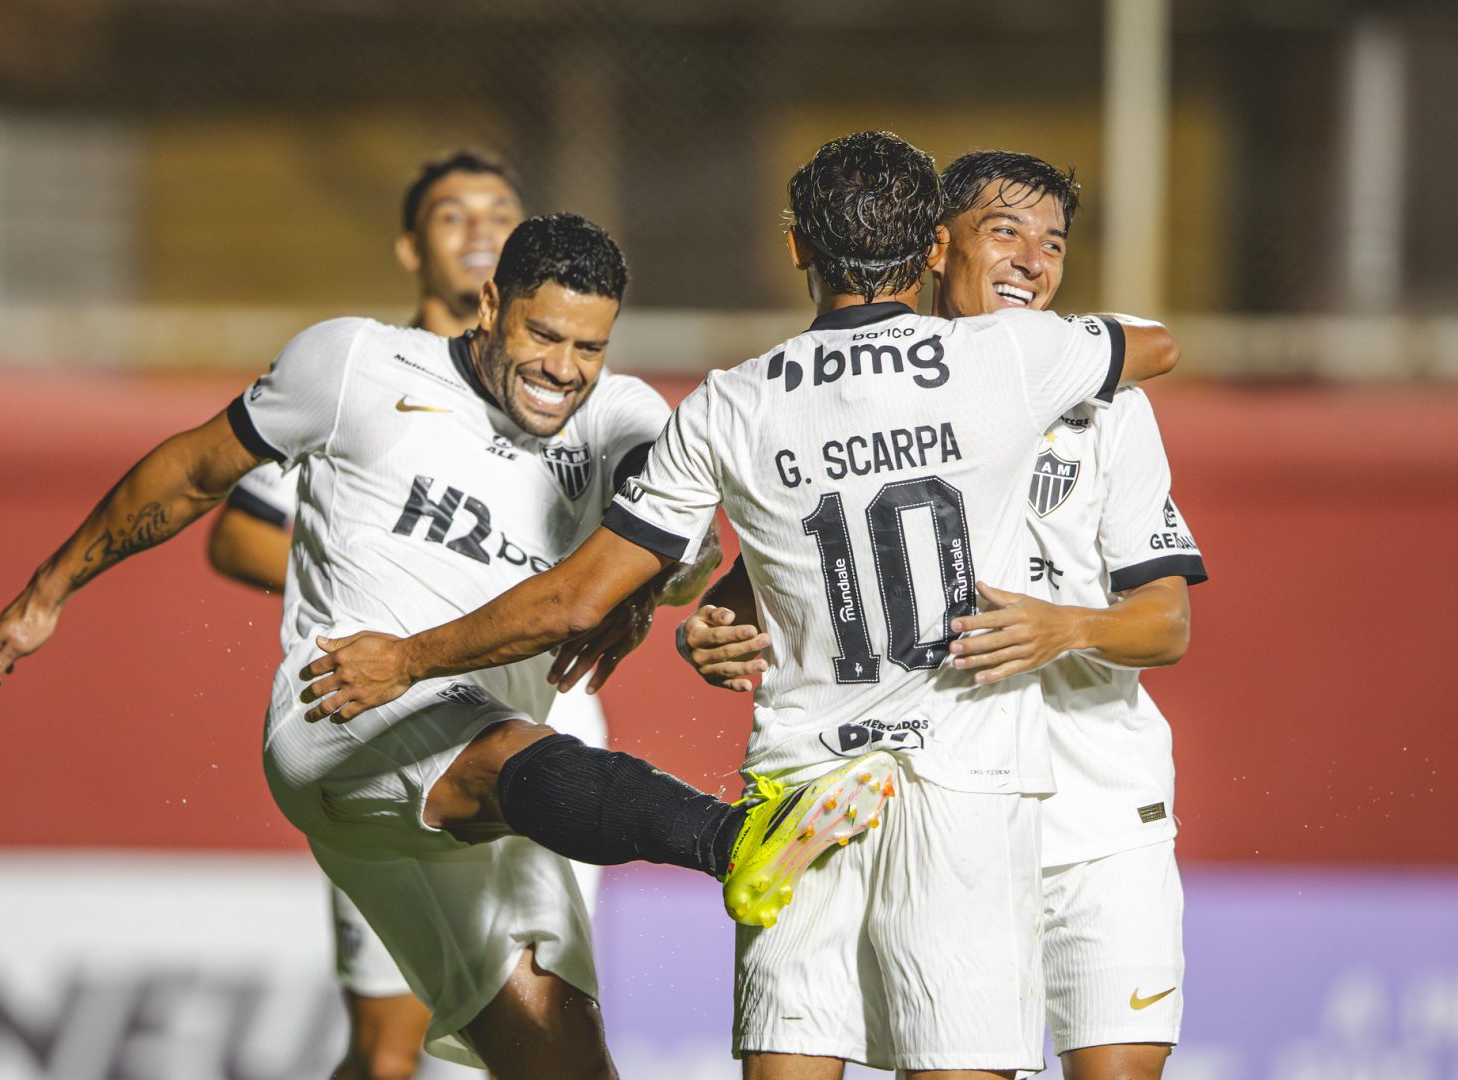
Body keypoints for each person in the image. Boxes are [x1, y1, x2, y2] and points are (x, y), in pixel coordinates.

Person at [296, 132, 1181, 1079]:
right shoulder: (1008, 358)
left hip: (799, 798)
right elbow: (1157, 345)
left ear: (796, 247)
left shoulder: (729, 402)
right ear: (931, 249)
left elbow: (586, 592)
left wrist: (417, 653)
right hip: (961, 784)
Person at [0, 213, 887, 1080]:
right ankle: (735, 841)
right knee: (514, 753)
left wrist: (642, 597)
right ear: (489, 305)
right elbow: (192, 472)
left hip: (484, 792)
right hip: (343, 716)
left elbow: (681, 556)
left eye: (588, 346)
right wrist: (45, 594)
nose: (563, 368)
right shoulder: (353, 366)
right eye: (543, 336)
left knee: (559, 1070)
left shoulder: (624, 421)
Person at [677, 150, 1208, 1080]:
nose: (1033, 262)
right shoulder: (859, 397)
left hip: (1099, 817)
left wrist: (1067, 626)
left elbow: (1166, 624)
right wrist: (723, 612)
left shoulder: (1105, 403)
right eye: (1004, 233)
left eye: (1054, 244)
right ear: (933, 248)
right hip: (939, 799)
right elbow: (816, 545)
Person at [205, 152, 600, 1080]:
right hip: (392, 726)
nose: (478, 231)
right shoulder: (358, 377)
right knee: (389, 1049)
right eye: (452, 216)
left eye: (499, 213)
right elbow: (236, 534)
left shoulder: (577, 392)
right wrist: (393, 599)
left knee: (547, 1026)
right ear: (409, 246)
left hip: (541, 718)